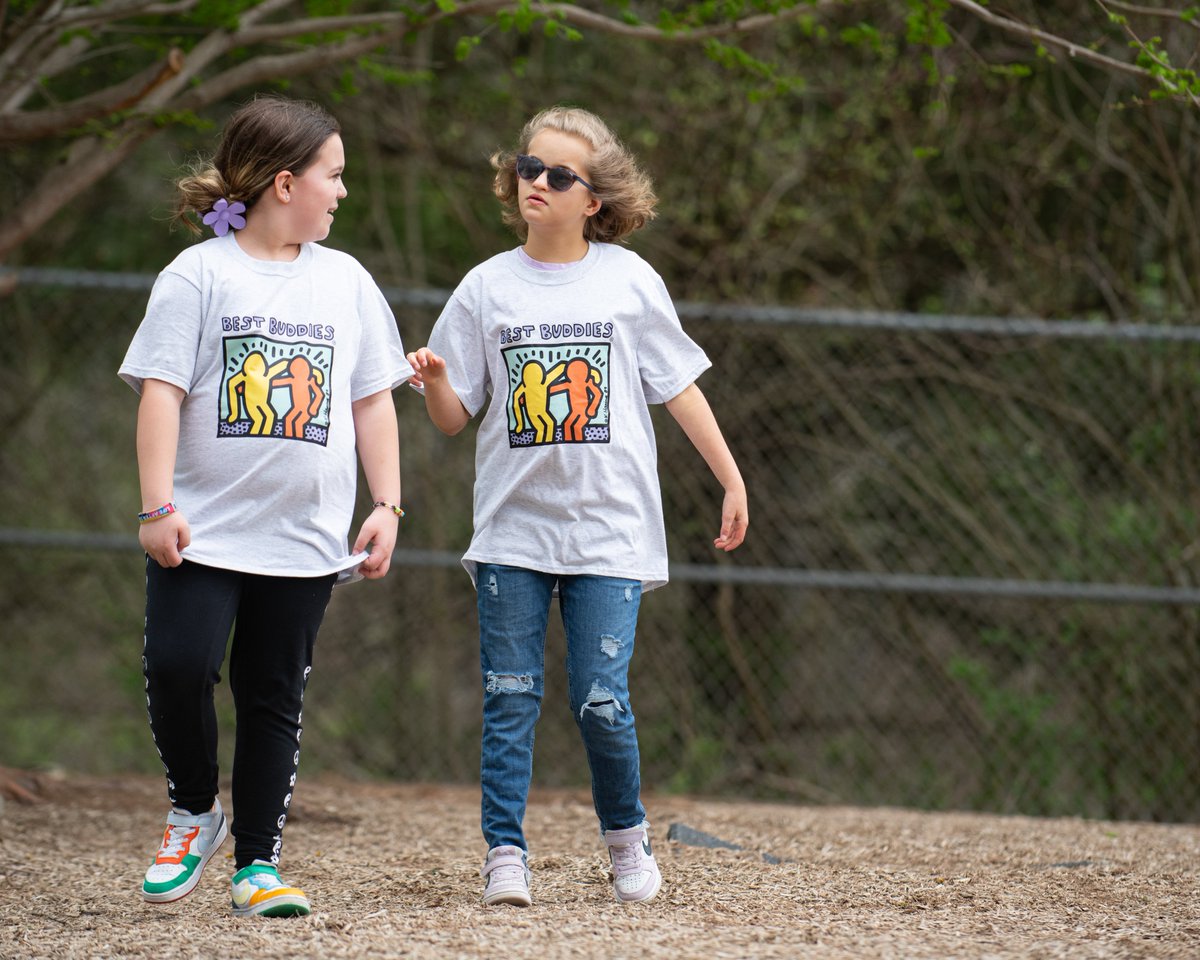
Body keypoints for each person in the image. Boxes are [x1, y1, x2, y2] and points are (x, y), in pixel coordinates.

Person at [405, 106, 749, 907]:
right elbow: (457, 419)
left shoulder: (629, 280)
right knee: (510, 696)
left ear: (594, 198)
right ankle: (504, 854)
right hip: (512, 535)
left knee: (601, 699)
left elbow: (679, 388)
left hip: (610, 535)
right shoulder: (485, 287)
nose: (538, 183)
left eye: (560, 175)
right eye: (529, 167)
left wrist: (732, 479)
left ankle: (627, 842)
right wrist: (435, 383)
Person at [118, 95, 412, 918]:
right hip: (202, 528)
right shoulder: (200, 273)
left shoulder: (346, 280)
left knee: (272, 693)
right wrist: (155, 506)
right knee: (179, 667)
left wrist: (388, 504)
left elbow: (374, 403)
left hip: (305, 540)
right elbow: (160, 395)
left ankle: (258, 863)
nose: (343, 192)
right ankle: (192, 810)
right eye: (335, 175)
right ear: (286, 182)